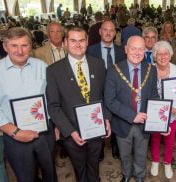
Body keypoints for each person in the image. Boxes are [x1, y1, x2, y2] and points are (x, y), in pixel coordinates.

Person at [46, 26, 111, 182]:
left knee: (94, 165)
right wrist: (69, 131)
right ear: (65, 42)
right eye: (73, 40)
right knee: (80, 169)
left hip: (96, 129)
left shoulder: (99, 64)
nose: (78, 44)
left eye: (82, 40)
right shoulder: (54, 70)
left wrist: (107, 118)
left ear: (87, 41)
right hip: (72, 133)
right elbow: (53, 106)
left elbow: (105, 95)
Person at [0, 27, 57, 181]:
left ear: (31, 46)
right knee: (25, 177)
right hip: (14, 135)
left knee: (50, 173)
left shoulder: (41, 66)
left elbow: (51, 97)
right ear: (5, 47)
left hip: (44, 133)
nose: (20, 51)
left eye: (24, 45)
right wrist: (15, 132)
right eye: (14, 46)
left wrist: (54, 123)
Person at [104, 36, 158, 182]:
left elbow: (154, 95)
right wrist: (132, 116)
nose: (137, 52)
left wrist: (161, 119)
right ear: (126, 49)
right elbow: (110, 100)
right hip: (122, 122)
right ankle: (127, 174)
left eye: (141, 49)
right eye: (133, 48)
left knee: (141, 153)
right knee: (125, 153)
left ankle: (140, 175)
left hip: (144, 122)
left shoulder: (151, 69)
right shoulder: (113, 70)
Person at [87, 20, 126, 160]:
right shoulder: (90, 50)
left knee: (116, 117)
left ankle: (116, 144)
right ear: (100, 32)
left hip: (117, 92)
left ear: (115, 33)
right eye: (105, 30)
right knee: (98, 117)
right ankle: (100, 147)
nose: (108, 33)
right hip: (97, 90)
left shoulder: (122, 51)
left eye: (111, 30)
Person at [149, 41, 176, 179]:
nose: (162, 56)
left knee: (170, 140)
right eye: (159, 54)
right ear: (154, 56)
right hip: (155, 113)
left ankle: (168, 163)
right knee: (155, 138)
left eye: (166, 53)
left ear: (170, 55)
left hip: (172, 113)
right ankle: (155, 161)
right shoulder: (149, 69)